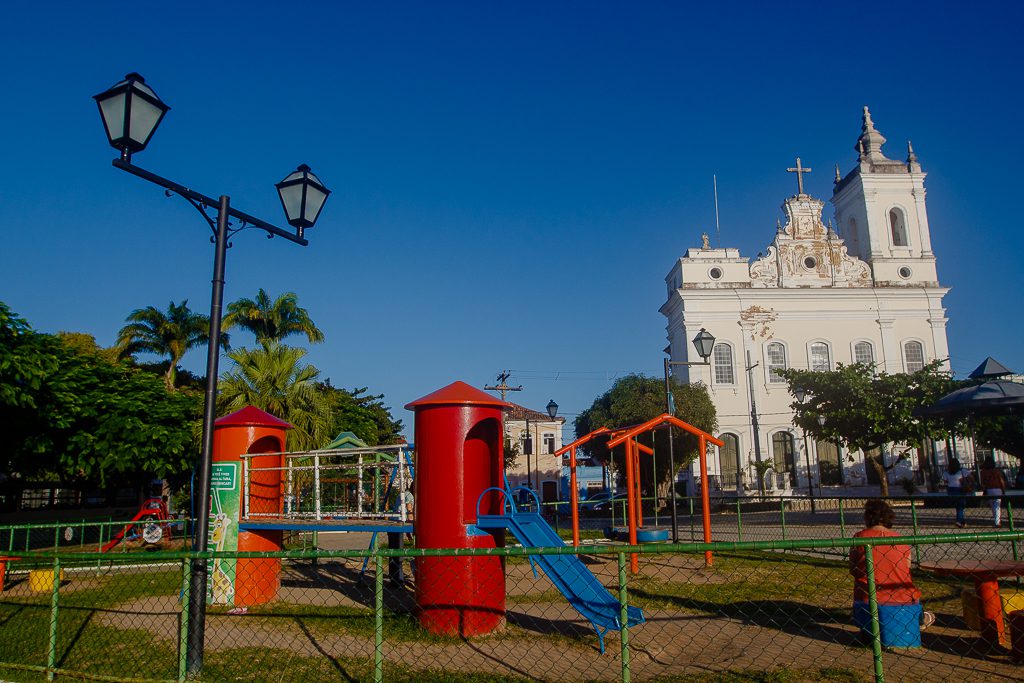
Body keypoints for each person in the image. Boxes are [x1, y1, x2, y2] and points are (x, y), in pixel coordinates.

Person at [849, 499, 934, 631]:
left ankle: (865, 618)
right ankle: (919, 618)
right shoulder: (899, 540)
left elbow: (853, 568)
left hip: (868, 597)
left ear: (867, 517)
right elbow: (906, 567)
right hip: (901, 597)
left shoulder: (859, 537)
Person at [980, 456, 1008, 528]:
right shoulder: (997, 471)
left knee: (993, 505)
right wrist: (1003, 490)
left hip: (989, 489)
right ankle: (997, 522)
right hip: (997, 489)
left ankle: (996, 520)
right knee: (997, 506)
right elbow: (1001, 481)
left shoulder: (983, 472)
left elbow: (983, 482)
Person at [942, 458, 967, 528]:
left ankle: (962, 521)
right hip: (960, 489)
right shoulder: (962, 471)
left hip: (951, 490)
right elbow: (970, 478)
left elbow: (945, 482)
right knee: (961, 506)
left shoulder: (946, 473)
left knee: (958, 506)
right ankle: (959, 520)